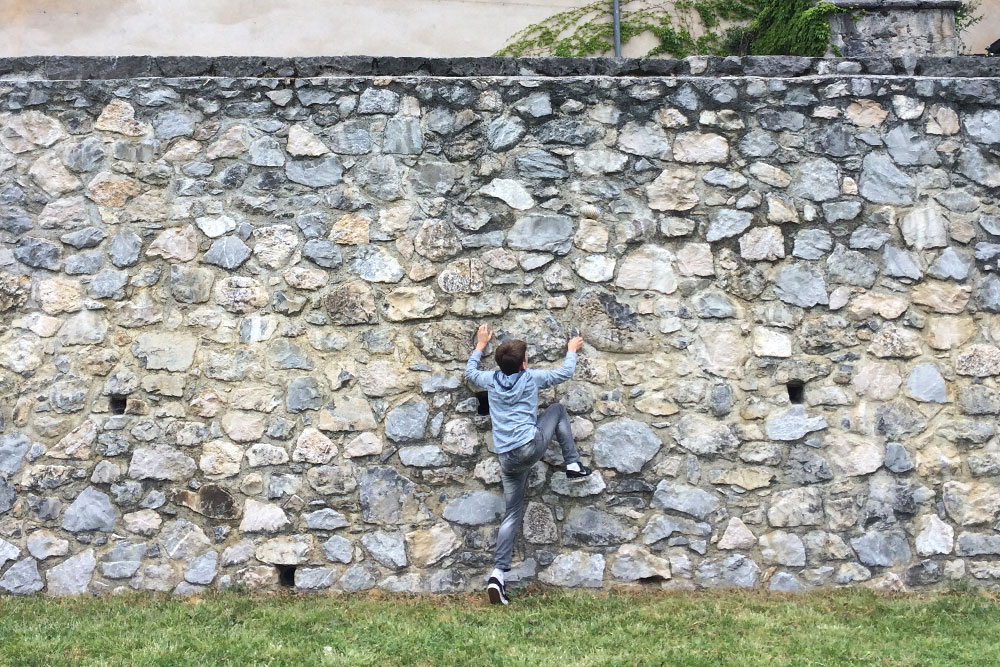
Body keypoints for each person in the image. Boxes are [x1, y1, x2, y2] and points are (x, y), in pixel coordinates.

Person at [465, 324, 592, 605]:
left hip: (507, 457)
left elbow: (470, 373)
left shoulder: (491, 380)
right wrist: (571, 351)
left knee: (512, 514)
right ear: (524, 363)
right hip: (529, 446)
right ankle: (573, 465)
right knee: (557, 410)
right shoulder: (531, 378)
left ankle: (497, 574)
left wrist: (480, 344)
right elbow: (564, 373)